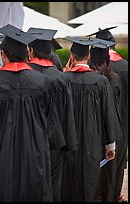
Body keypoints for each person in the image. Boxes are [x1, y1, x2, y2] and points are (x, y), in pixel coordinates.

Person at [0, 24, 66, 202]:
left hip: (1, 159)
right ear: (27, 53)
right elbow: (52, 125)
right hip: (36, 158)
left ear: (3, 54)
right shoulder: (45, 83)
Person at [61, 37, 122, 202]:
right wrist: (110, 145)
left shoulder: (63, 80)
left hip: (68, 144)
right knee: (89, 185)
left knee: (68, 186)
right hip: (92, 144)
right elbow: (108, 114)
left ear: (71, 56)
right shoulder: (101, 82)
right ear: (88, 57)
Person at [26, 27, 78, 202]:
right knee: (53, 187)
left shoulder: (24, 75)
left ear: (31, 51)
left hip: (27, 142)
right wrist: (69, 144)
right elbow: (67, 113)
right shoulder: (61, 78)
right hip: (54, 143)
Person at [87, 27, 128, 202]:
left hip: (92, 132)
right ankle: (114, 195)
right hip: (121, 127)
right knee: (115, 171)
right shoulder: (123, 68)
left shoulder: (90, 73)